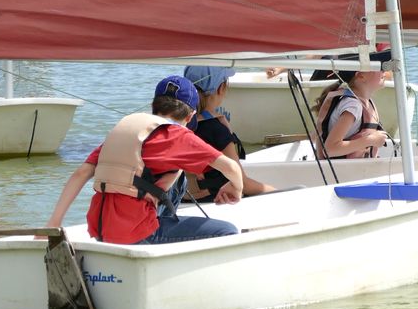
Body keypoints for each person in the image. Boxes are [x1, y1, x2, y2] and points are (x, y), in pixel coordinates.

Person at [47, 75, 242, 245]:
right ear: (190, 115)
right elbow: (232, 168)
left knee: (174, 172)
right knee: (228, 231)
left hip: (101, 232)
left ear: (153, 106)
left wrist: (54, 224)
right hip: (138, 233)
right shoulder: (177, 135)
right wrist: (236, 188)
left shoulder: (127, 133)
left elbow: (81, 173)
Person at [182, 65, 276, 201]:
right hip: (216, 201)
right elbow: (244, 184)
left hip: (186, 199)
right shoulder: (216, 129)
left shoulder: (181, 124)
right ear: (221, 88)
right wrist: (278, 191)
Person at [312, 61, 389, 159]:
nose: (384, 71)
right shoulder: (352, 106)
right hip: (342, 168)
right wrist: (371, 140)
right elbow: (330, 150)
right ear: (361, 76)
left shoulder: (365, 102)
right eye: (378, 67)